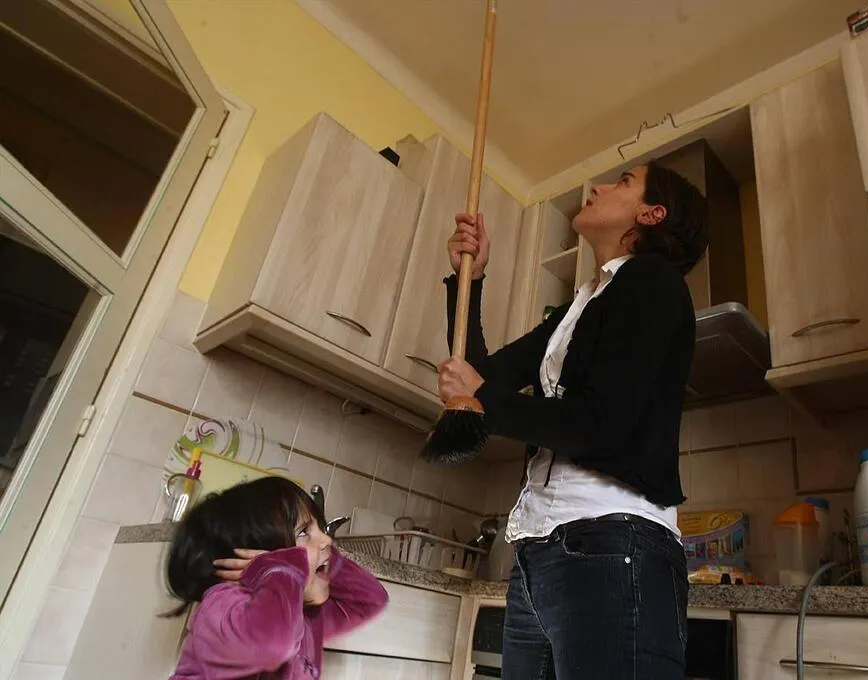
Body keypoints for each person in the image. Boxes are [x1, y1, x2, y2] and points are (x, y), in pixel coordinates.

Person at [440, 162, 709, 679]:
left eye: (623, 182)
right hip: (539, 552)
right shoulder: (577, 307)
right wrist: (468, 278)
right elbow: (481, 381)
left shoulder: (653, 279)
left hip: (613, 542)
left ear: (652, 214)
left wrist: (481, 396)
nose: (598, 187)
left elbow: (599, 425)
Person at [165, 476, 388, 679]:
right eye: (304, 532)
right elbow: (271, 644)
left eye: (320, 528)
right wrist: (280, 568)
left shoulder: (301, 613)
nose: (327, 539)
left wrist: (317, 565)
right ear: (260, 555)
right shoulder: (223, 604)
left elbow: (370, 599)